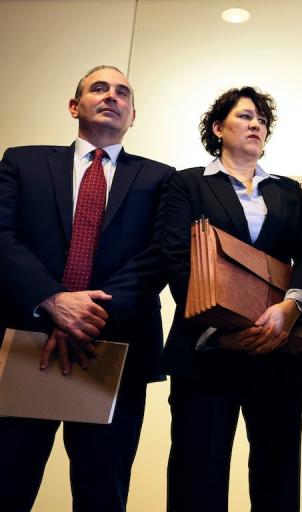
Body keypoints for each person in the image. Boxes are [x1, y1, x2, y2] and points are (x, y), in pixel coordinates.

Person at [0, 65, 173, 512]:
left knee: (102, 492)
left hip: (113, 348)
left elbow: (160, 254)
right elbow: (1, 236)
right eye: (99, 88)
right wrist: (53, 300)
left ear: (132, 115)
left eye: (122, 92)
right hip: (26, 340)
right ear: (75, 106)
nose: (111, 96)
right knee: (7, 481)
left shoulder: (161, 178)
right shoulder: (22, 161)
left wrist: (90, 310)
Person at [157, 86, 302, 512]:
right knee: (198, 476)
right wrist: (220, 330)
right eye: (245, 117)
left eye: (262, 120)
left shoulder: (286, 190)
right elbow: (177, 258)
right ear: (218, 128)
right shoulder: (188, 183)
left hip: (278, 350)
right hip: (206, 353)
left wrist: (290, 310)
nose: (256, 125)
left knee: (278, 476)